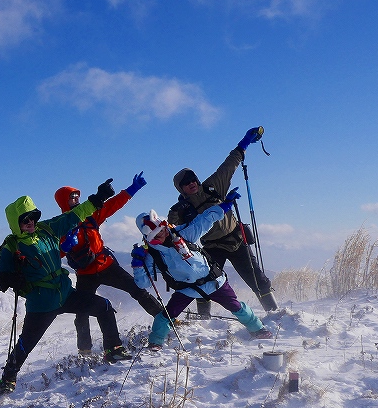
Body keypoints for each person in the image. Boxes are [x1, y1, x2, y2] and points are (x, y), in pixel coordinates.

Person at [0, 180, 132, 395]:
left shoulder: (48, 229)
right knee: (27, 343)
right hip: (41, 302)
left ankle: (113, 350)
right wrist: (8, 279)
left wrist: (98, 198)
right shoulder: (12, 245)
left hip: (65, 293)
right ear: (16, 222)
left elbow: (74, 216)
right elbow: (0, 275)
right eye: (24, 219)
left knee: (104, 306)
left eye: (33, 217)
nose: (30, 222)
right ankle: (8, 377)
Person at [130, 194, 274, 350]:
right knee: (167, 314)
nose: (164, 233)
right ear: (150, 237)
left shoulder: (182, 233)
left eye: (163, 228)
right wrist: (137, 264)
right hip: (186, 289)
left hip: (214, 281)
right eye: (159, 233)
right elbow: (143, 283)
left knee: (236, 306)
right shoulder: (152, 255)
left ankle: (258, 329)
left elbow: (204, 221)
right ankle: (155, 342)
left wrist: (224, 206)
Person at [168, 126, 278, 317]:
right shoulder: (180, 209)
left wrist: (244, 143)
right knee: (204, 282)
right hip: (210, 248)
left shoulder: (213, 186)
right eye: (186, 183)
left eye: (192, 178)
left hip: (236, 239)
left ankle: (275, 313)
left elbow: (230, 164)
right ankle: (204, 321)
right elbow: (171, 232)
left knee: (257, 279)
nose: (191, 183)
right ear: (181, 189)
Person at [54, 172, 162, 356]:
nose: (76, 198)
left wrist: (132, 188)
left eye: (77, 195)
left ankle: (164, 320)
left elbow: (113, 205)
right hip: (85, 273)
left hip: (106, 265)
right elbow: (56, 253)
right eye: (72, 197)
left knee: (136, 289)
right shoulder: (61, 225)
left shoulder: (90, 216)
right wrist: (63, 247)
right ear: (63, 201)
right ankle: (84, 349)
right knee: (82, 312)